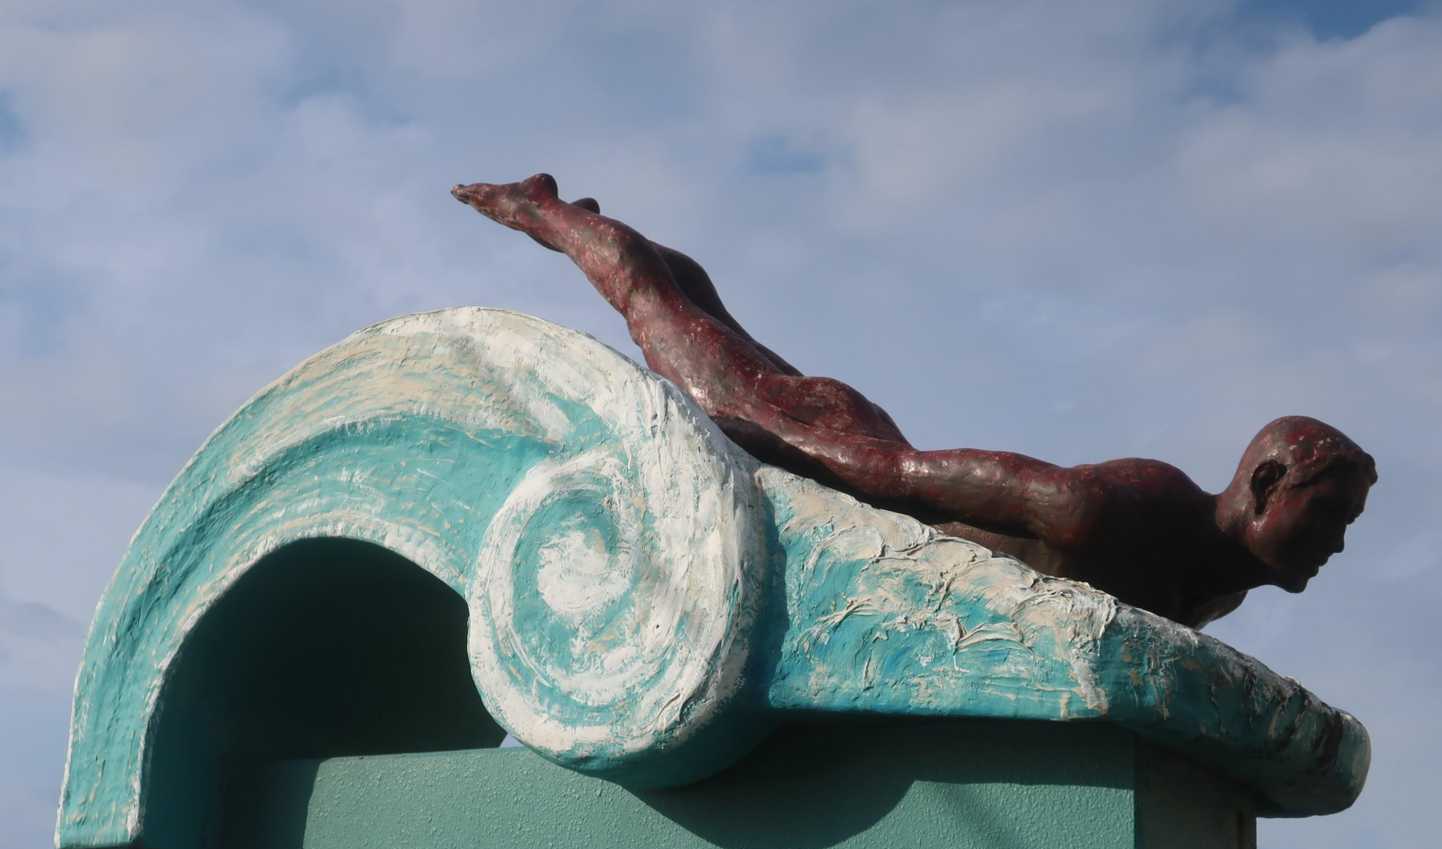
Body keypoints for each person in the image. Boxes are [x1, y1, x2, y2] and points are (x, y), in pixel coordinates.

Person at [452, 174, 1376, 629]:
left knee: (706, 321)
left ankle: (604, 227)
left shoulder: (1218, 587)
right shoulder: (1104, 512)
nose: (1337, 543)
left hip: (871, 474)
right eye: (1328, 515)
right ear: (1264, 484)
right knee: (671, 328)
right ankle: (545, 211)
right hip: (844, 459)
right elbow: (894, 474)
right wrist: (763, 432)